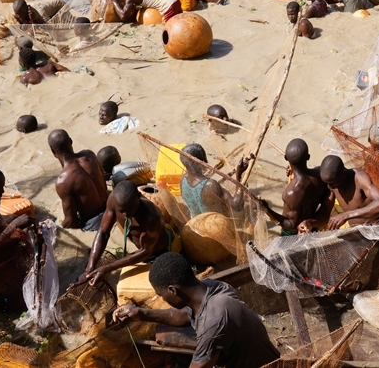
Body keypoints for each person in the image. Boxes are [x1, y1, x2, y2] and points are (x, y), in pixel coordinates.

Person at [112, 253, 280, 368]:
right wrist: (140, 313)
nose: (163, 300)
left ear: (173, 290)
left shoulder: (213, 324)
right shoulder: (213, 288)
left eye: (161, 295)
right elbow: (183, 315)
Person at [79, 180, 178, 286]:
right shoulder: (114, 200)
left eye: (130, 209)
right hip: (143, 249)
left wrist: (108, 268)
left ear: (139, 196)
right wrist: (91, 266)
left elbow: (145, 252)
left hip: (157, 252)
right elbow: (103, 232)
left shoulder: (151, 218)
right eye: (122, 211)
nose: (126, 214)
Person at [259, 139, 331, 235]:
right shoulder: (320, 174)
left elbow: (290, 224)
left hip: (293, 233)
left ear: (286, 158)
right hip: (311, 225)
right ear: (308, 157)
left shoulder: (291, 193)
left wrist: (267, 209)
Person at [49, 129, 109, 230]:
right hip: (110, 207)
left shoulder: (63, 181)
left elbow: (71, 221)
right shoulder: (90, 155)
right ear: (71, 141)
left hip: (94, 223)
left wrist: (57, 228)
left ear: (53, 151)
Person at [318, 156, 379, 229]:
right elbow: (325, 211)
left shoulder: (359, 178)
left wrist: (346, 215)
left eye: (333, 183)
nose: (329, 187)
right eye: (327, 183)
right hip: (355, 232)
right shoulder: (332, 185)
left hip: (375, 228)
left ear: (343, 174)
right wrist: (310, 222)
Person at [180, 144, 247, 218]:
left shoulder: (182, 180)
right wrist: (239, 175)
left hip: (195, 221)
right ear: (203, 161)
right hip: (215, 224)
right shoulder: (210, 185)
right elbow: (237, 206)